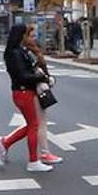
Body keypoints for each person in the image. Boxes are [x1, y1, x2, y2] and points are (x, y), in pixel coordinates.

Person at [0, 24, 55, 173]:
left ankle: (5, 143)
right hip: (24, 92)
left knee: (32, 125)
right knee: (34, 126)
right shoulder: (16, 53)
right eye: (25, 34)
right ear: (21, 36)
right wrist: (40, 77)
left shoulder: (15, 51)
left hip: (23, 92)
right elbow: (22, 75)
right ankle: (33, 161)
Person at [23, 29, 62, 166]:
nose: (34, 38)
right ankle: (45, 153)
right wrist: (45, 77)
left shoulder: (32, 50)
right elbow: (33, 72)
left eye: (35, 35)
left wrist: (48, 77)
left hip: (39, 87)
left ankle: (5, 142)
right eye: (31, 36)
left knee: (35, 124)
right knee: (39, 124)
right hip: (36, 89)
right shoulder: (28, 53)